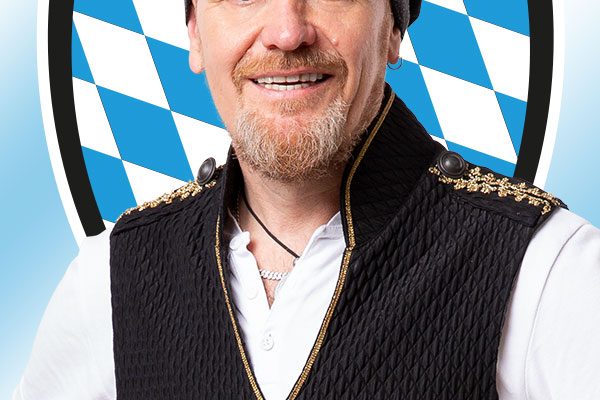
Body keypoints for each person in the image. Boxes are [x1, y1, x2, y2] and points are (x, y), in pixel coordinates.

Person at [14, 0, 600, 399]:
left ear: (393, 28)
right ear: (194, 31)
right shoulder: (112, 275)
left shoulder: (546, 268)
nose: (287, 32)